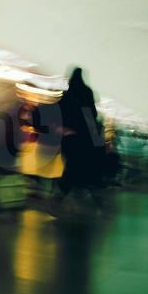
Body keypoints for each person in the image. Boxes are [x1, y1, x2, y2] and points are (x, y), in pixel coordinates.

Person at [57, 67, 103, 199]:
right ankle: (76, 187)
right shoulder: (87, 93)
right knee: (79, 162)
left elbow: (58, 112)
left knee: (69, 161)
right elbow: (92, 114)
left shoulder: (66, 95)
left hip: (68, 135)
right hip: (85, 136)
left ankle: (65, 188)